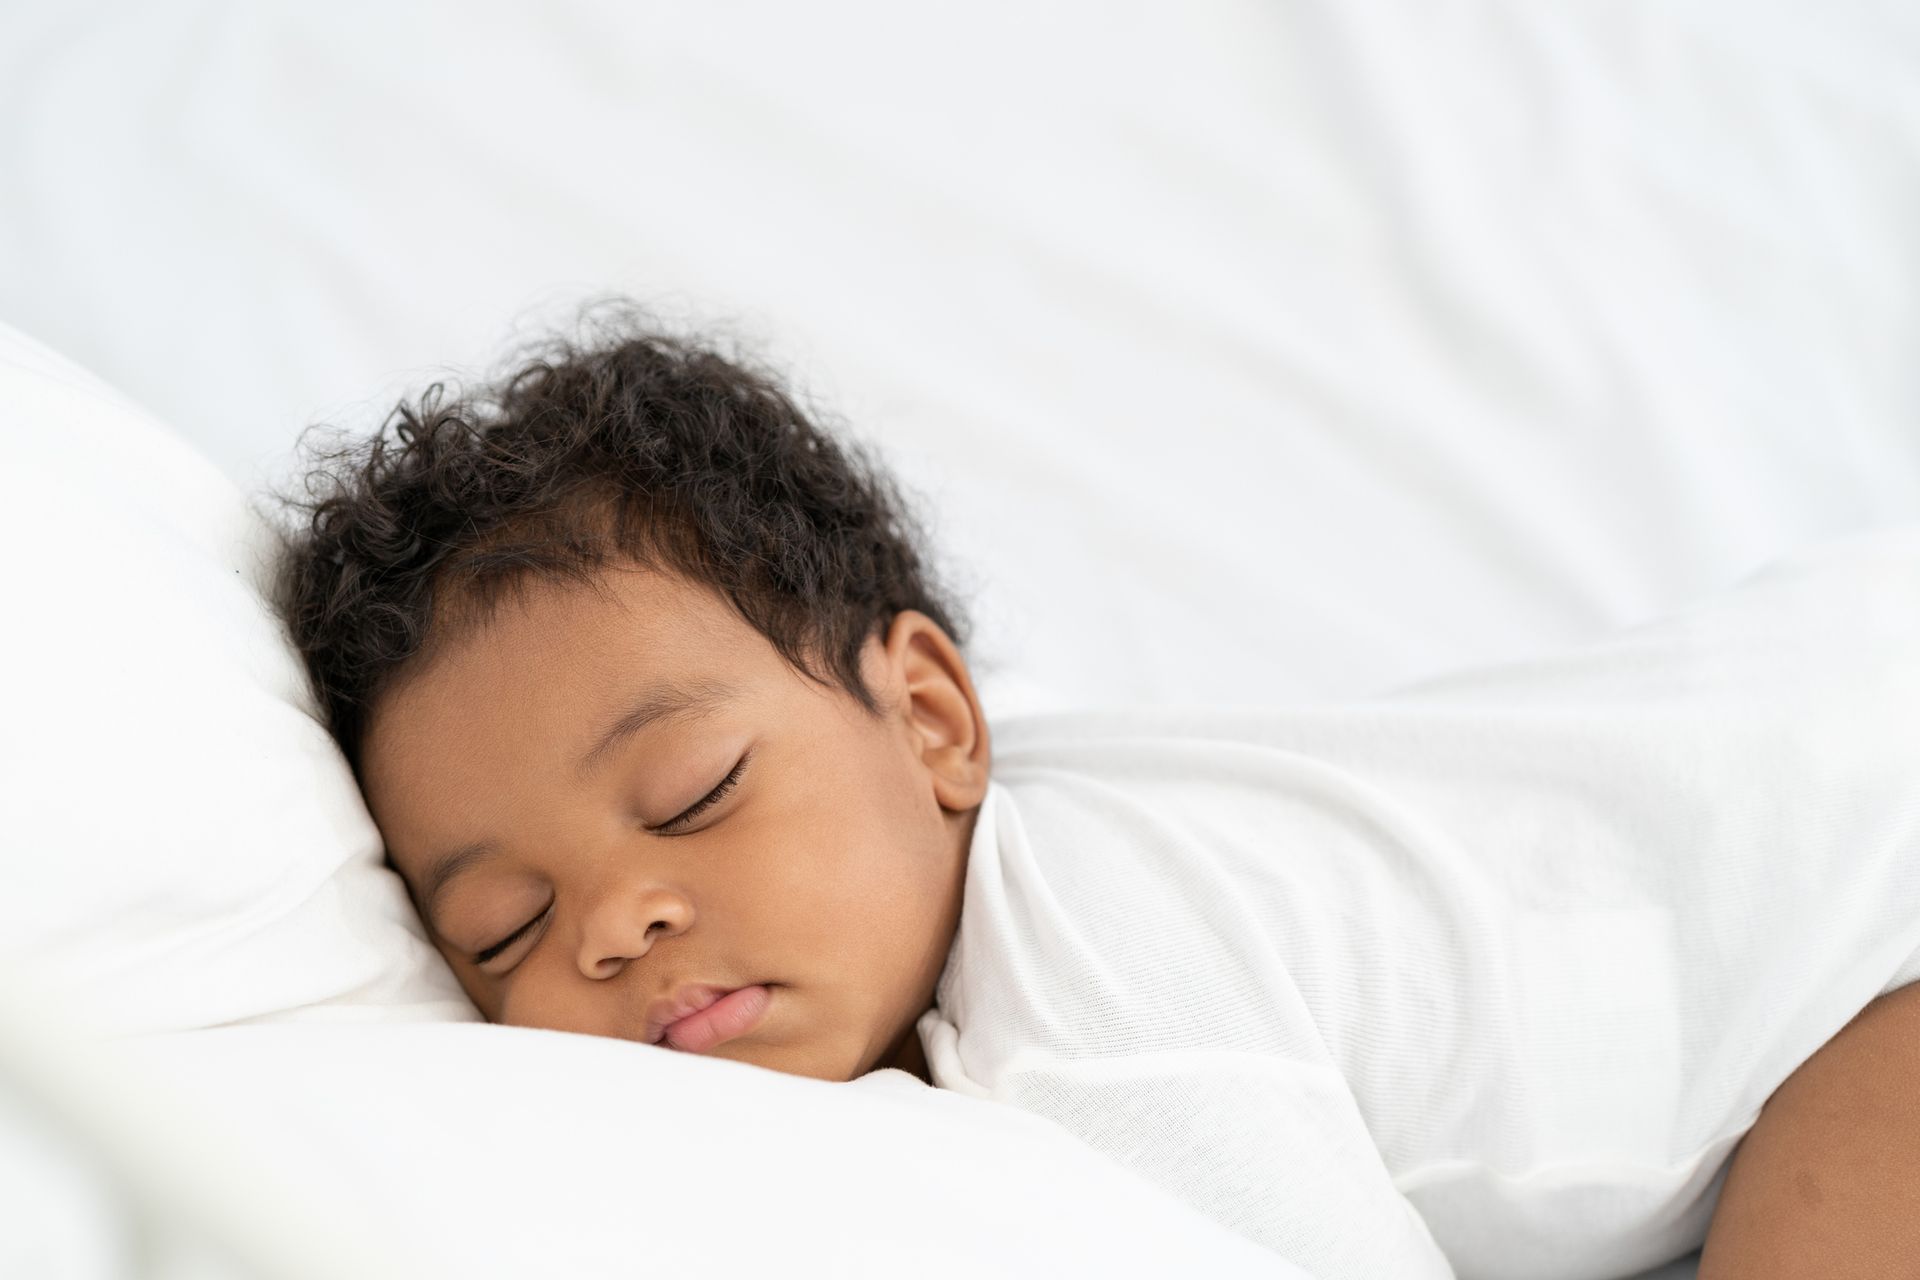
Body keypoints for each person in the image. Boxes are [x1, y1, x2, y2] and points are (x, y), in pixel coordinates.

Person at [270, 308, 1920, 1279]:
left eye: (692, 794)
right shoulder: (942, 820)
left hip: (1864, 934)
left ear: (935, 720)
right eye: (508, 927)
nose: (617, 922)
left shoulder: (1097, 1003)